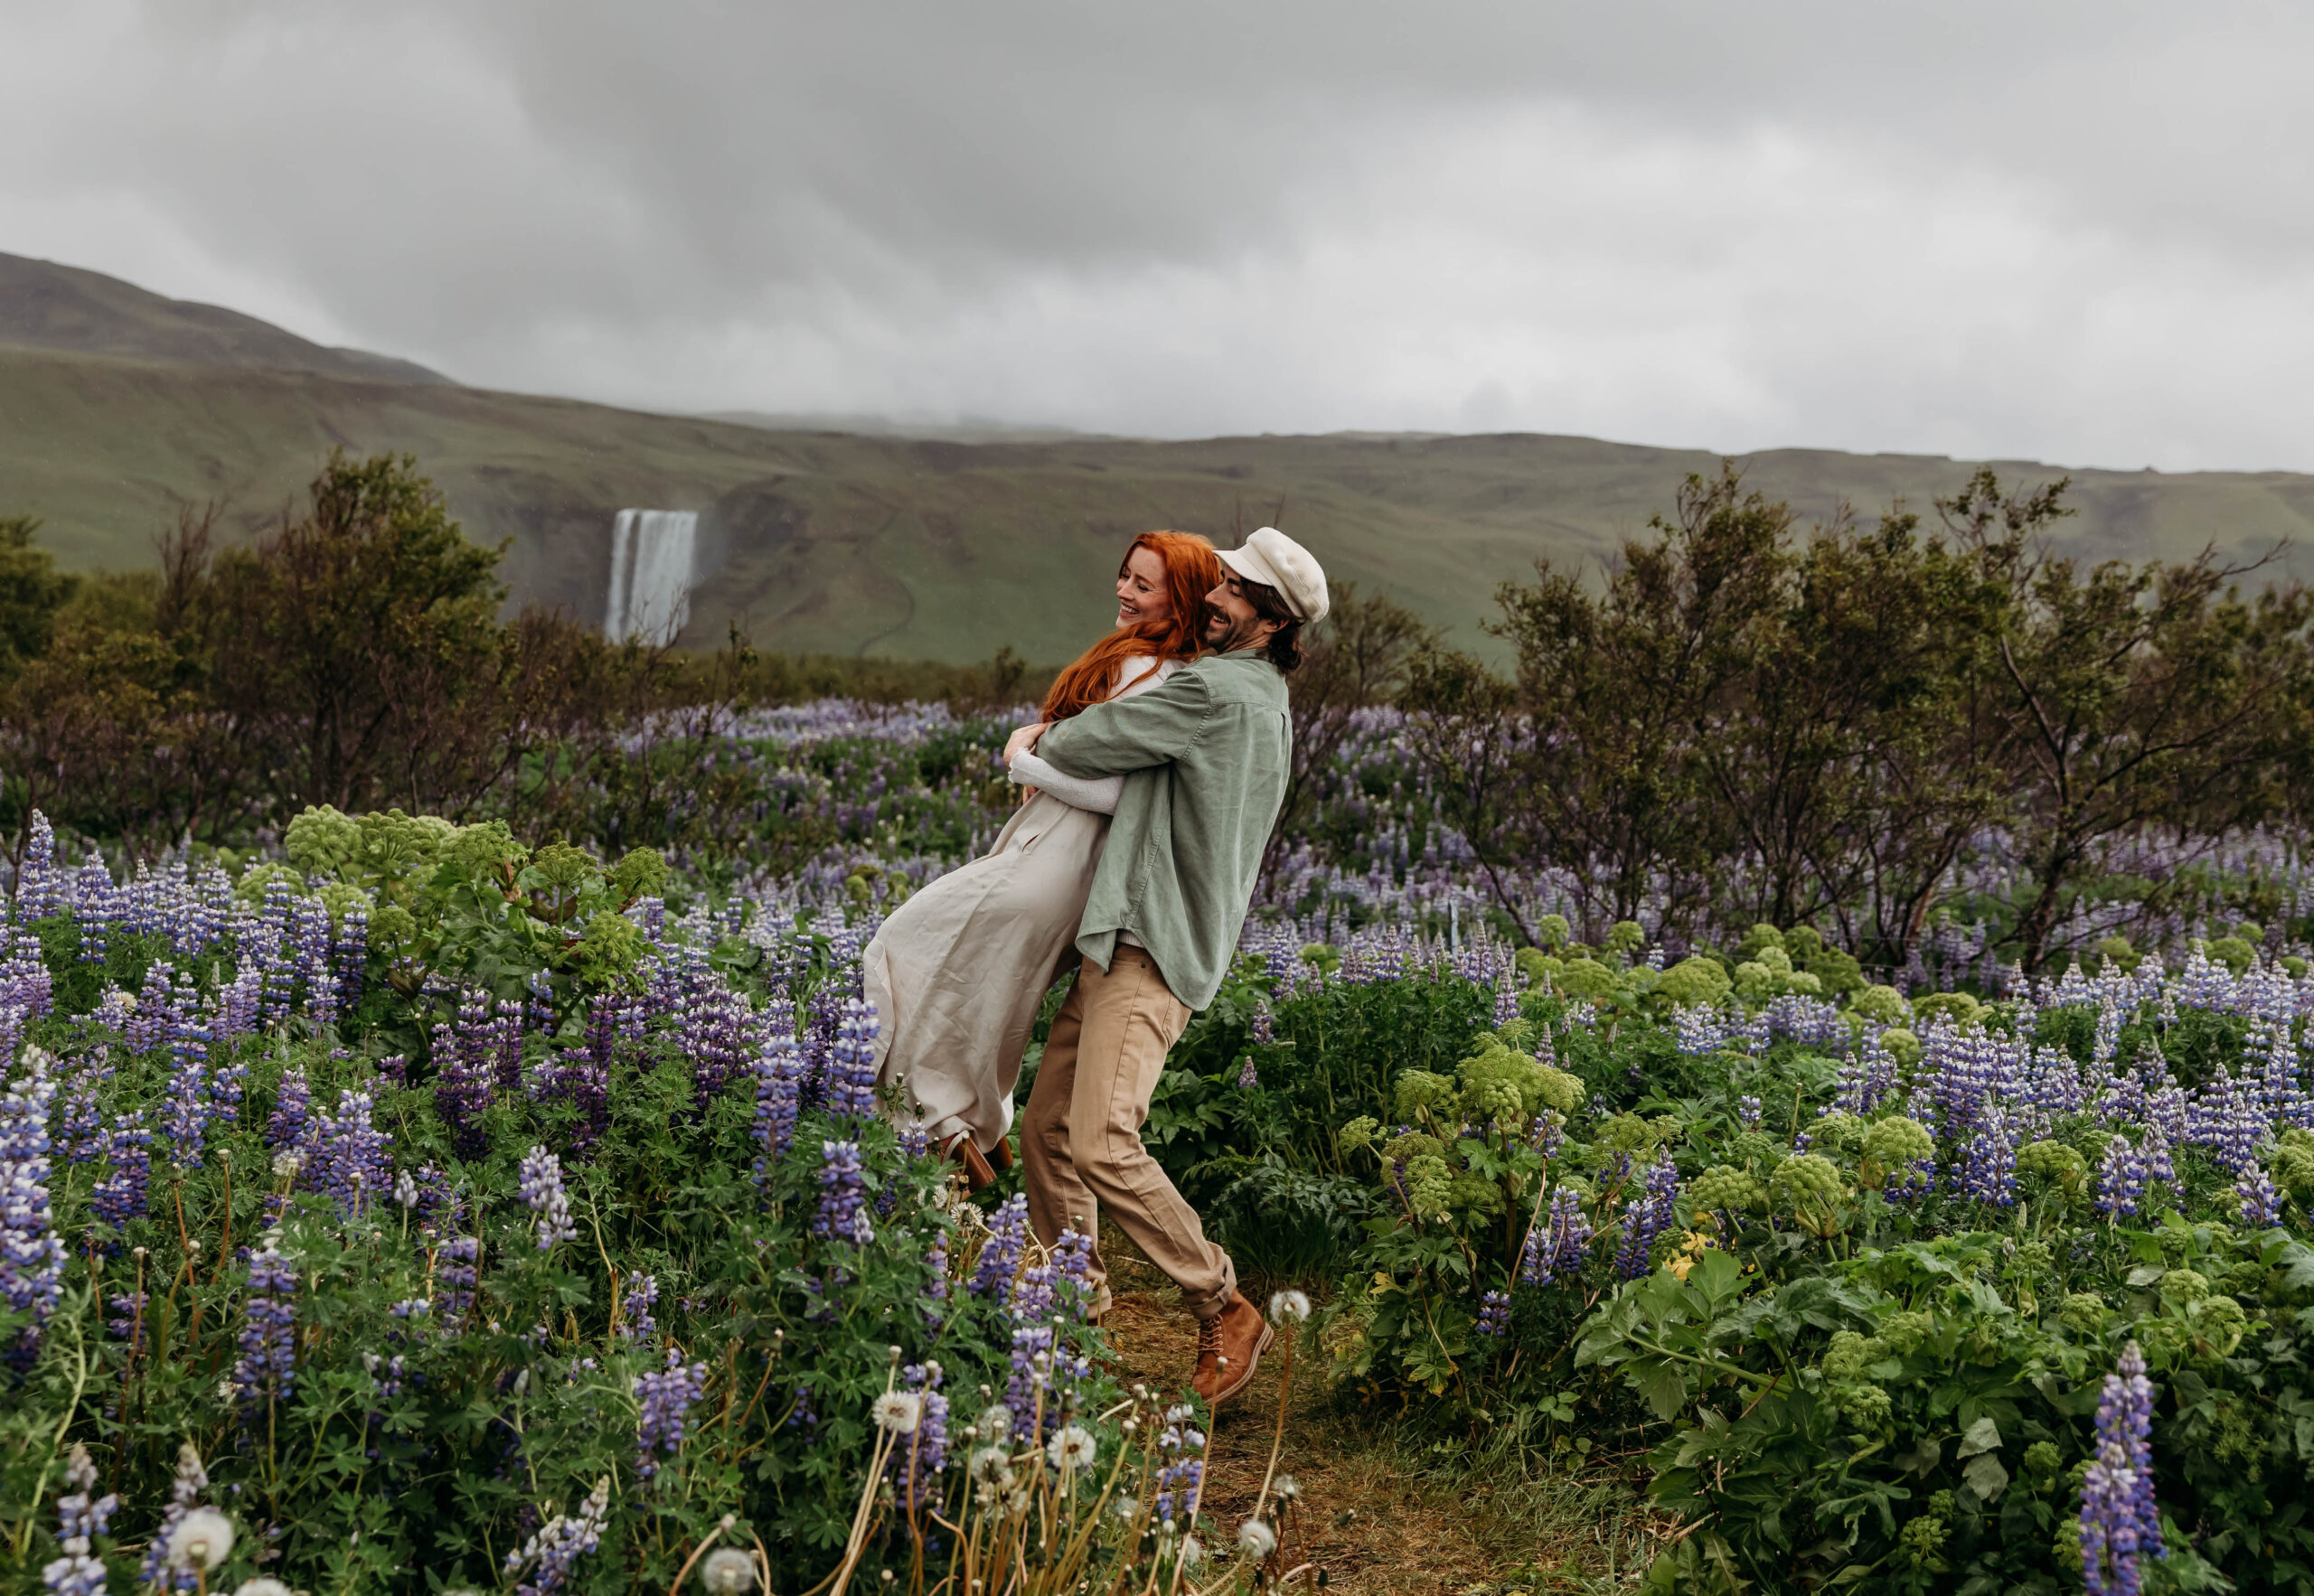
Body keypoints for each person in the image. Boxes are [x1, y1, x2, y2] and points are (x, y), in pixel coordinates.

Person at [1003, 525, 1328, 1405]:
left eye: (1231, 588)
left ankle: (1221, 1301)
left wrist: (1033, 742)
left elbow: (1089, 741)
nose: (1212, 596)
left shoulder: (1218, 689)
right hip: (1130, 939)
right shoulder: (1263, 697)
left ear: (1267, 618)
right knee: (1047, 1131)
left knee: (1102, 1138)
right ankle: (1071, 1312)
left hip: (1152, 943)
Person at [862, 531, 1225, 1184]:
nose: (1124, 591)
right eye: (1124, 576)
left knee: (909, 944)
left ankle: (939, 1127)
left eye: (1145, 586)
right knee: (995, 988)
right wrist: (1047, 745)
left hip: (1061, 860)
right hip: (1065, 860)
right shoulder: (1143, 663)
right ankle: (976, 1131)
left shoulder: (1157, 676)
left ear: (1184, 601)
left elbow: (1124, 795)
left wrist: (1028, 758)